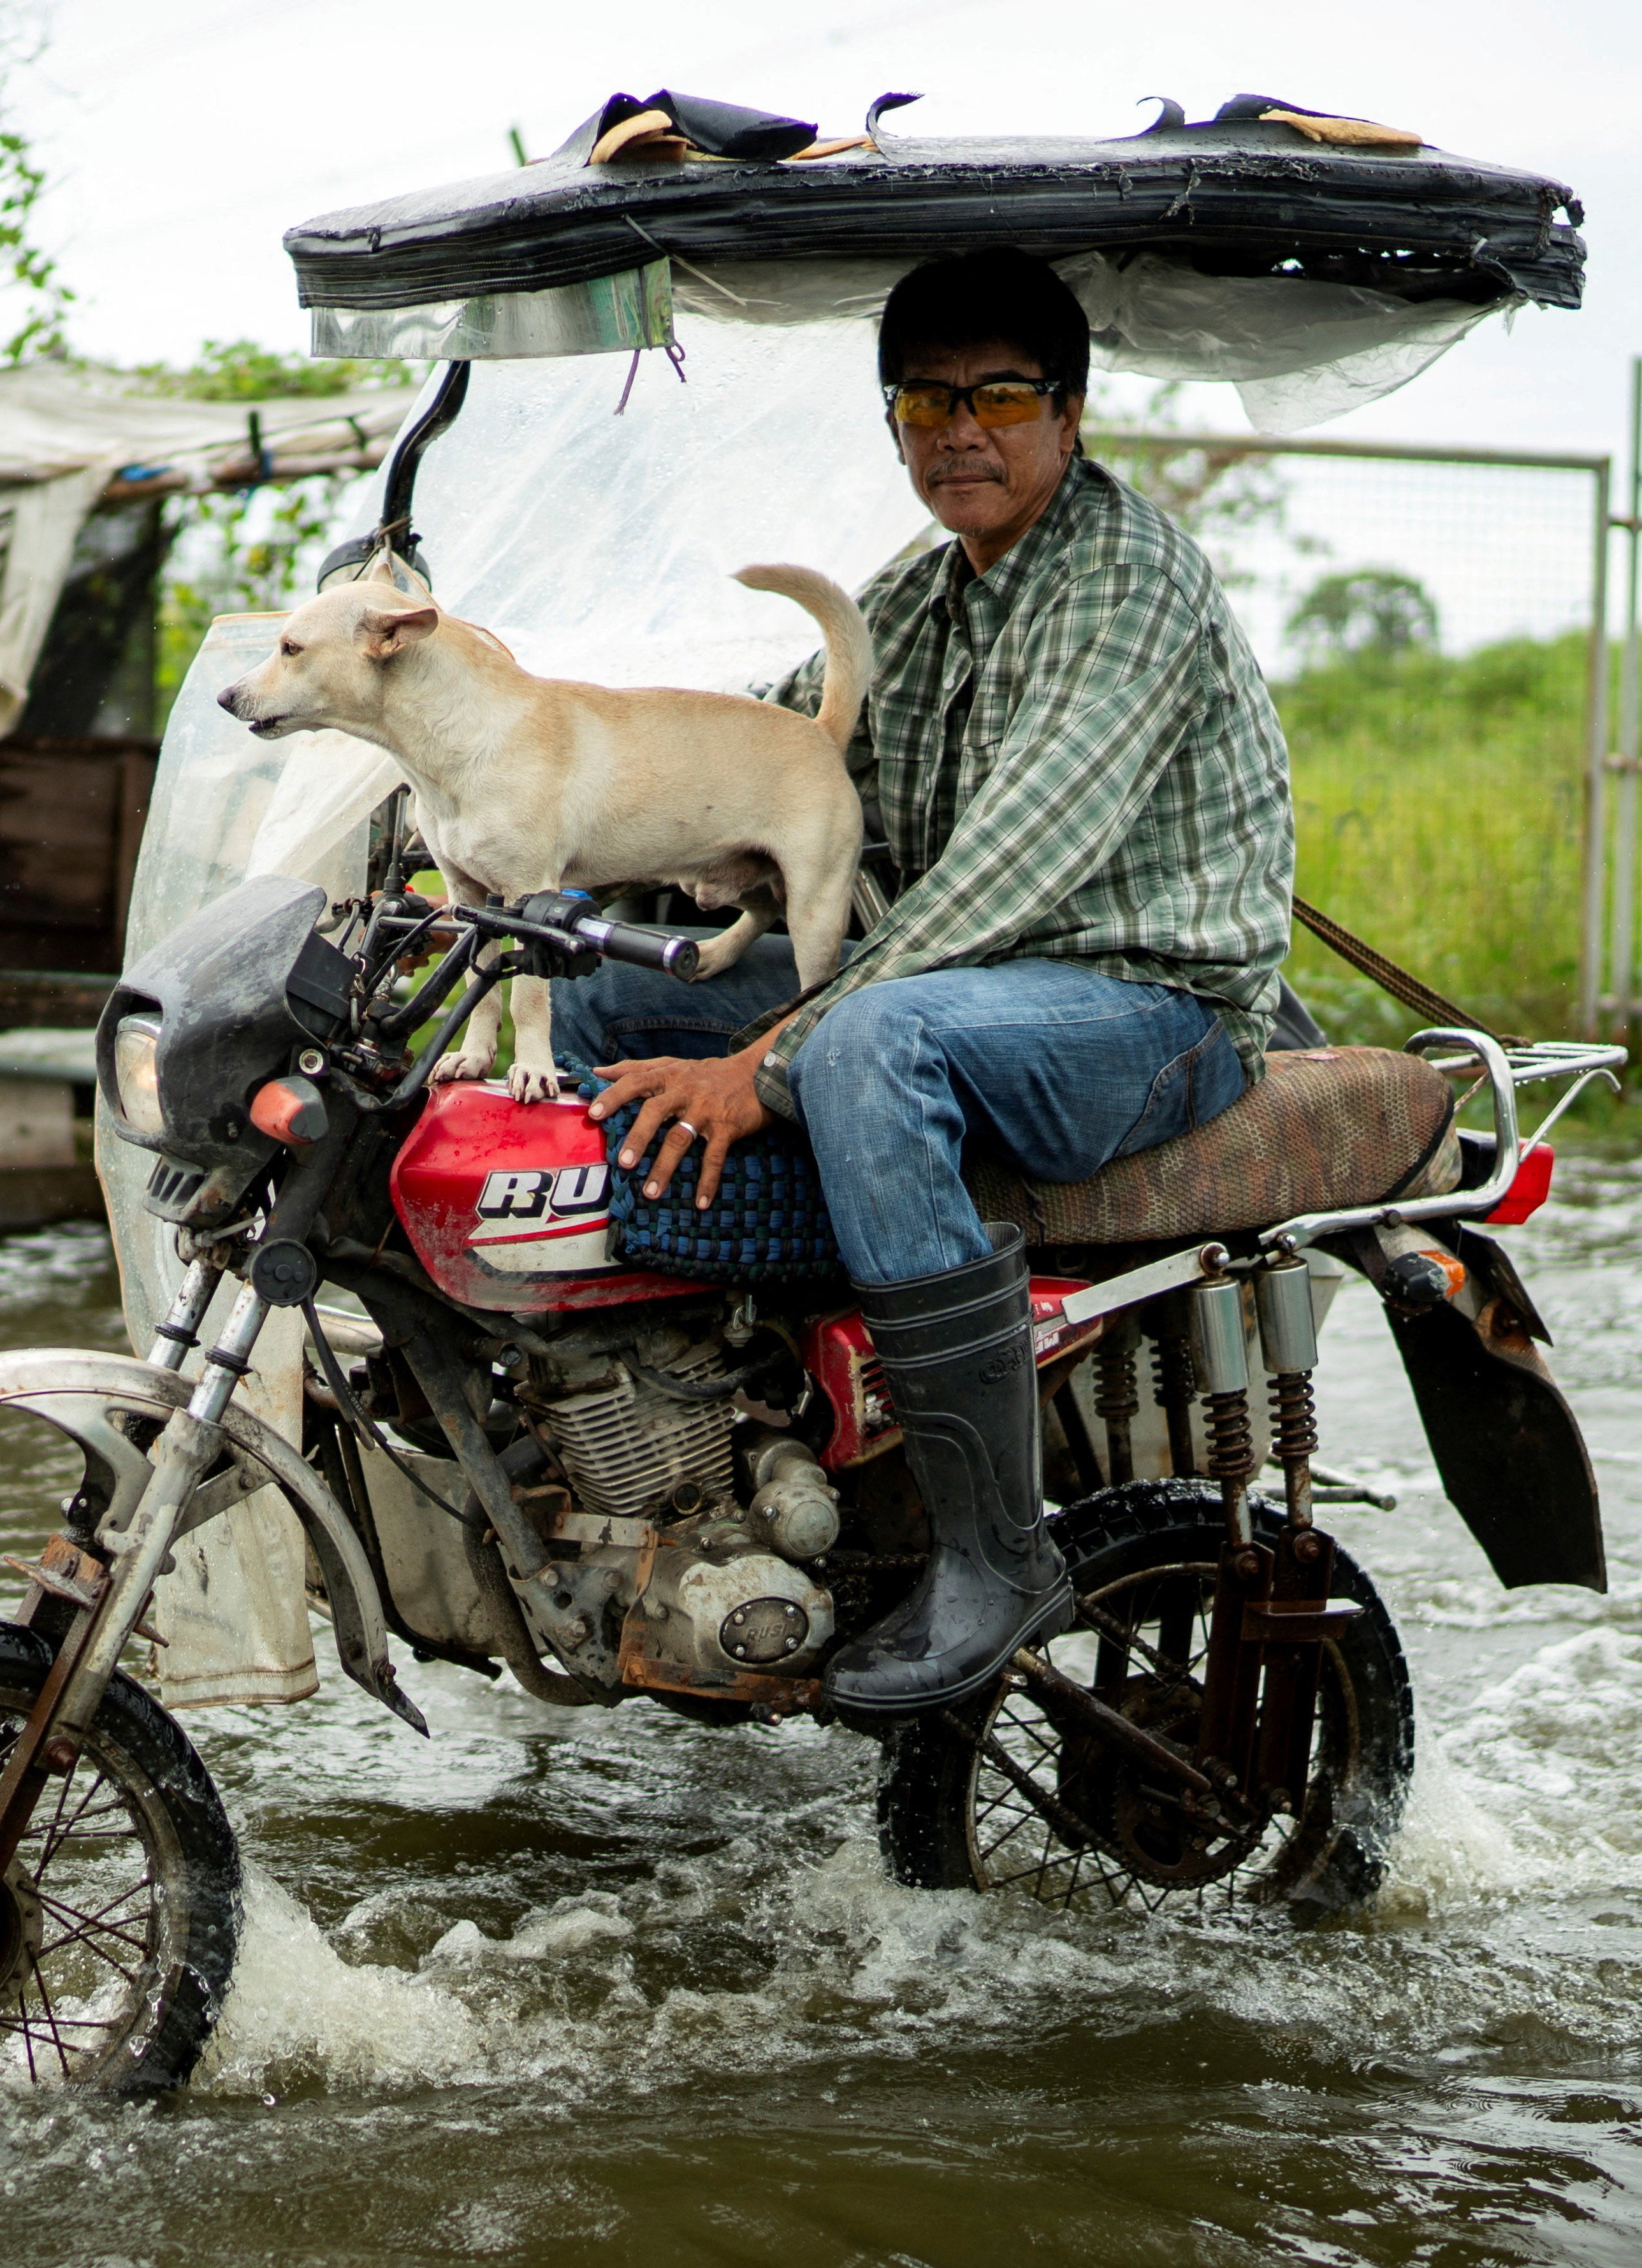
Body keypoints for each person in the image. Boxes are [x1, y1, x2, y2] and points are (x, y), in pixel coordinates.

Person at [561, 247, 1312, 1715]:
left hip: (1146, 1012)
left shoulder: (1126, 585)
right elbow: (756, 766)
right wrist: (525, 814)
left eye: (998, 394)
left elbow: (998, 887)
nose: (956, 428)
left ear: (1070, 413)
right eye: (922, 398)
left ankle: (995, 1548)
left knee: (864, 1047)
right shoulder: (918, 598)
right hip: (980, 994)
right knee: (601, 1004)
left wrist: (767, 1059)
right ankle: (692, 1436)